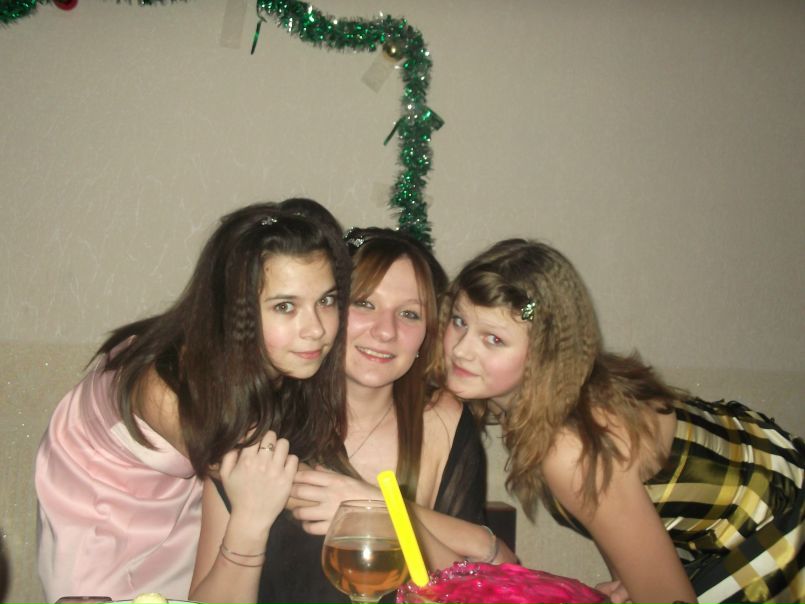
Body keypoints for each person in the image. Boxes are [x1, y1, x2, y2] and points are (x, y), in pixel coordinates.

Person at [438, 238, 804, 604]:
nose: (460, 349)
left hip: (782, 530)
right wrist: (631, 578)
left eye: (494, 339)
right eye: (459, 321)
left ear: (544, 354)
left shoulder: (569, 443)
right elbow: (617, 517)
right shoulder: (553, 397)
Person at [35, 200, 351, 603]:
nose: (316, 329)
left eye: (326, 300)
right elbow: (273, 480)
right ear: (234, 310)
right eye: (285, 306)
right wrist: (390, 511)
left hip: (189, 522)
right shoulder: (168, 387)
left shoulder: (267, 359)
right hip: (109, 535)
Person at [190, 227, 515, 604]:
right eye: (364, 304)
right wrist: (248, 524)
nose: (386, 331)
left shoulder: (441, 421)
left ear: (426, 334)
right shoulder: (256, 421)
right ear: (327, 310)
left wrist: (386, 516)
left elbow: (479, 593)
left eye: (409, 314)